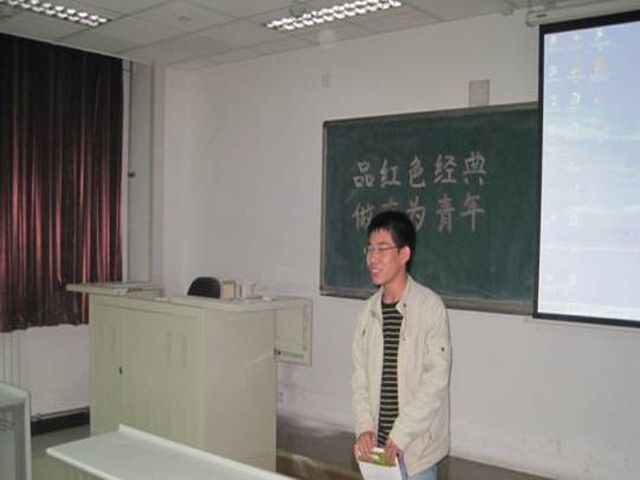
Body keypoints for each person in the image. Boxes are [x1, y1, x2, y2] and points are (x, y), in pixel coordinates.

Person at [352, 210, 451, 480]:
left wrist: (401, 434)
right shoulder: (367, 313)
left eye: (382, 249)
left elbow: (435, 382)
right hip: (377, 453)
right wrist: (364, 428)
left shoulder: (429, 308)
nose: (372, 258)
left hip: (415, 452)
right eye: (370, 249)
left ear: (404, 254)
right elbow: (359, 379)